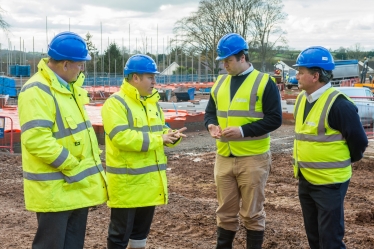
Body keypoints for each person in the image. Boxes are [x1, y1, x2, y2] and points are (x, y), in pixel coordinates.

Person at [18, 31, 108, 249]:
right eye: (80, 64)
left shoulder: (68, 89)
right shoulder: (37, 90)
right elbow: (37, 140)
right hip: (56, 190)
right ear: (65, 64)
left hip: (74, 187)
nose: (82, 69)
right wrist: (72, 166)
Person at [204, 33, 282, 249]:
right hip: (224, 156)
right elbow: (210, 113)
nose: (225, 65)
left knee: (252, 213)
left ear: (242, 57)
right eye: (223, 61)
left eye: (228, 60)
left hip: (253, 157)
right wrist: (210, 125)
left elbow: (275, 119)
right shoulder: (219, 83)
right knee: (225, 212)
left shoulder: (264, 82)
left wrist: (242, 131)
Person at [101, 54, 187, 249]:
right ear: (135, 78)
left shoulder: (151, 103)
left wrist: (170, 135)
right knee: (119, 236)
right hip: (127, 186)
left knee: (140, 236)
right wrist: (160, 139)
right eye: (150, 77)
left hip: (148, 184)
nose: (154, 82)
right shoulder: (116, 103)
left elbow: (159, 131)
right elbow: (121, 138)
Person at [292, 46, 368, 249]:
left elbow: (359, 142)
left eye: (301, 72)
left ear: (315, 76)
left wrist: (341, 161)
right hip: (306, 178)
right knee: (314, 237)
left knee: (330, 240)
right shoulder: (301, 99)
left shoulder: (339, 104)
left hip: (330, 183)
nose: (296, 75)